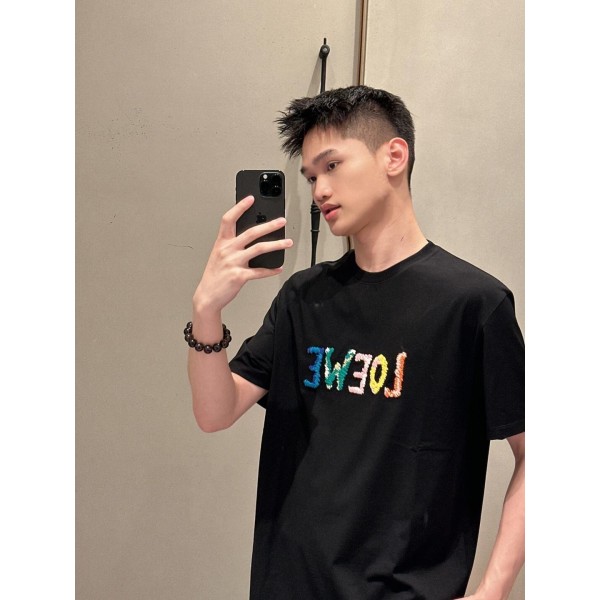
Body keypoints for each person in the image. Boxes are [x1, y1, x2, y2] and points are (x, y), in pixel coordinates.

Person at [187, 85, 525, 600]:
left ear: (394, 156)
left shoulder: (472, 304)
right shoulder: (304, 297)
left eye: (332, 165)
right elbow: (215, 412)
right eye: (310, 176)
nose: (319, 190)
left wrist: (493, 591)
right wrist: (206, 312)